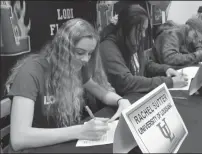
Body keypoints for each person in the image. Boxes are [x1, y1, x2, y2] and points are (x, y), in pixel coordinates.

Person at [6, 18, 131, 152]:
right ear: (63, 49)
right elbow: (19, 138)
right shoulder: (31, 72)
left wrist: (121, 100)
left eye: (89, 54)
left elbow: (101, 92)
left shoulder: (75, 66)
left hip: (59, 146)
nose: (85, 60)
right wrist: (80, 131)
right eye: (80, 53)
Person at [100, 4, 188, 97]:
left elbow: (145, 64)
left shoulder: (132, 41)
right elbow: (126, 82)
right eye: (140, 30)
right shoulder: (107, 47)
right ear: (126, 28)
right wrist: (169, 82)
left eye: (144, 30)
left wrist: (165, 69)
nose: (143, 35)